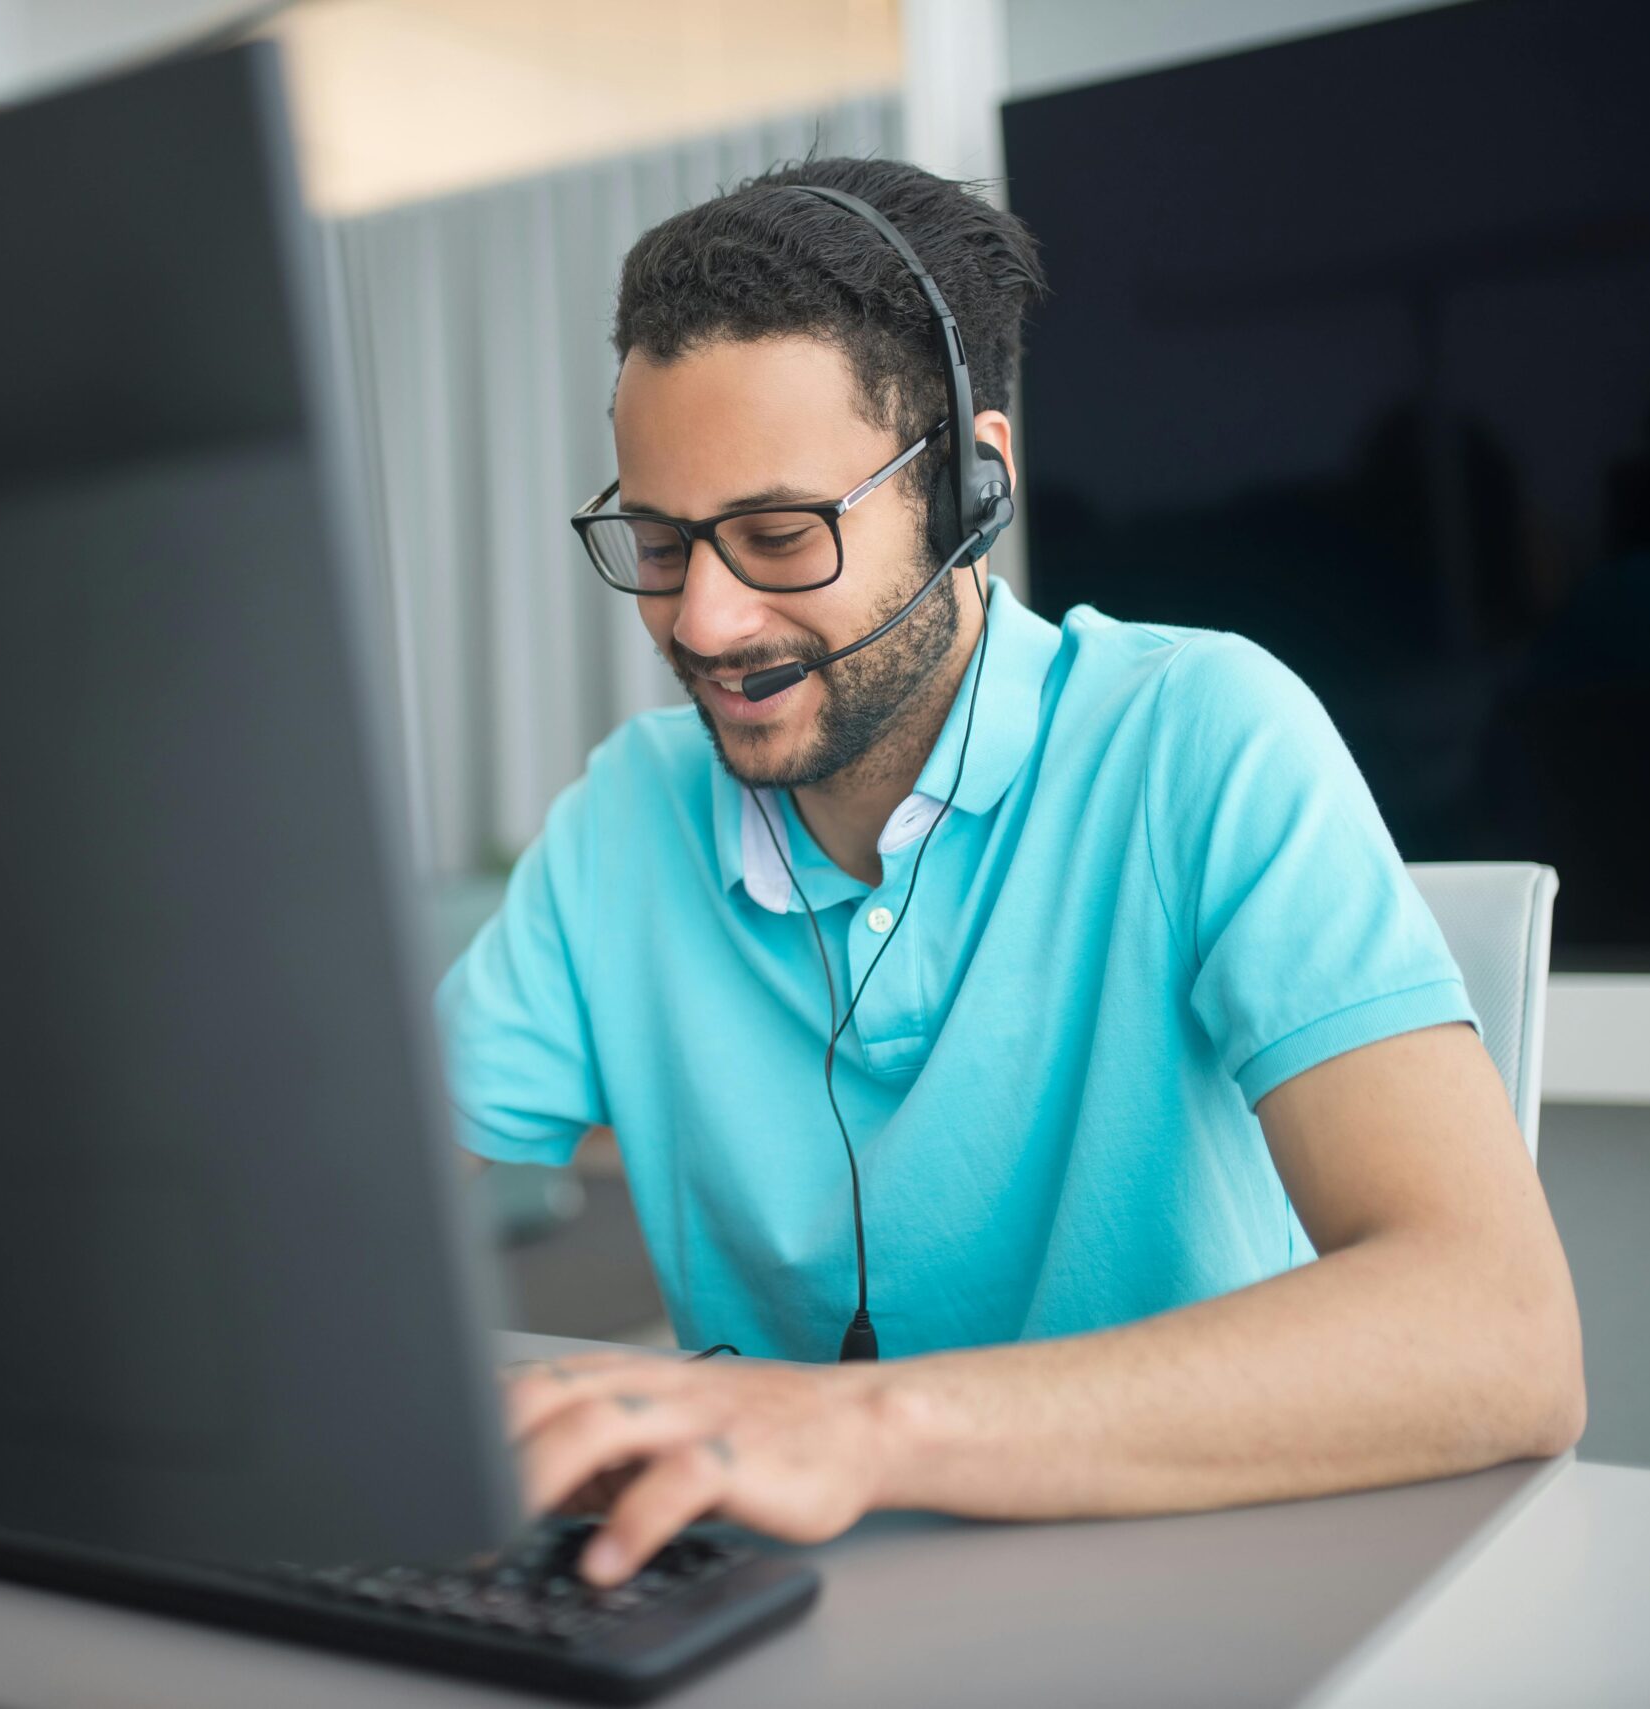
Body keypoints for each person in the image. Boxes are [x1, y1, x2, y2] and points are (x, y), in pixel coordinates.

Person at [437, 158, 1584, 1589]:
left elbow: (1503, 1334)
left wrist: (862, 1428)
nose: (709, 620)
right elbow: (352, 1182)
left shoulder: (1203, 736)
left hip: (1199, 1602)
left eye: (783, 535)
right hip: (791, 1622)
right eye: (662, 545)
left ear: (971, 484)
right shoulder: (625, 820)